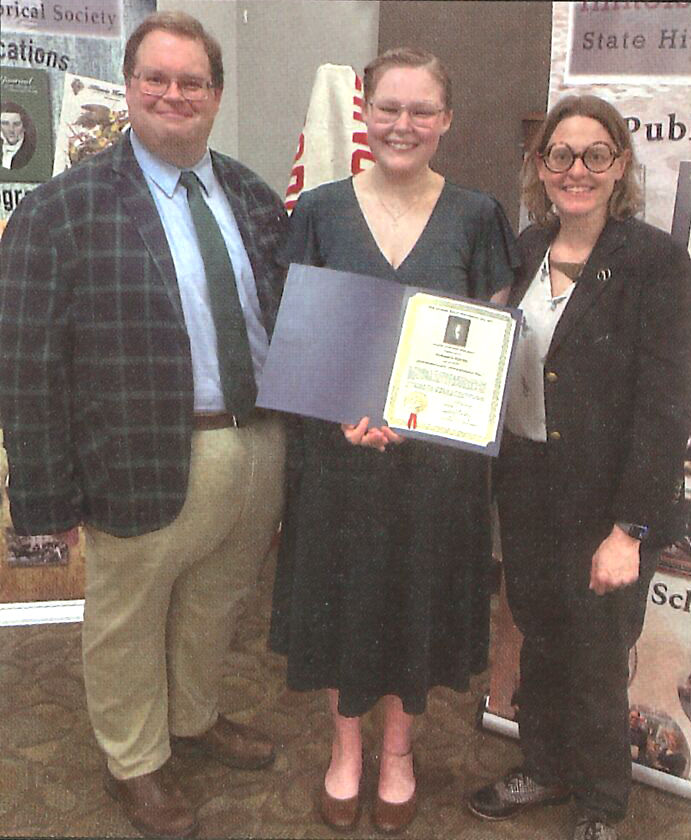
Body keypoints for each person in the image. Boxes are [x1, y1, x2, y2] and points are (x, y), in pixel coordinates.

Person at [0, 12, 286, 839]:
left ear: (216, 95)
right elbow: (25, 363)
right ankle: (135, 760)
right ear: (129, 89)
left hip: (255, 440)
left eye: (191, 81)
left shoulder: (251, 192)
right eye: (155, 78)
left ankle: (192, 720)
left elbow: (291, 316)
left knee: (217, 603)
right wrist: (44, 500)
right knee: (126, 619)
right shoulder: (63, 208)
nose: (173, 94)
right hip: (134, 454)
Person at [269, 47, 518, 834]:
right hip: (336, 459)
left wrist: (420, 417)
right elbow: (299, 332)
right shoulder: (319, 210)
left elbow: (485, 350)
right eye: (388, 108)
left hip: (433, 470)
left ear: (445, 120)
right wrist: (341, 411)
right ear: (364, 114)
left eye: (420, 111)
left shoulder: (478, 216)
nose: (402, 124)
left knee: (410, 602)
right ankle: (345, 748)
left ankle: (400, 748)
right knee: (340, 602)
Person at [468, 94, 691, 840]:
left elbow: (665, 406)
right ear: (540, 166)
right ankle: (545, 766)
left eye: (595, 154)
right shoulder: (525, 250)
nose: (576, 170)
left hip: (607, 507)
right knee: (539, 637)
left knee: (596, 661)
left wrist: (630, 527)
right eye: (559, 154)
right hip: (528, 490)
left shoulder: (653, 262)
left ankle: (601, 803)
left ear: (620, 164)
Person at [0, 102, 36, 170]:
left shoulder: (29, 150)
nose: (11, 129)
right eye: (5, 124)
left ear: (24, 126)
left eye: (16, 124)